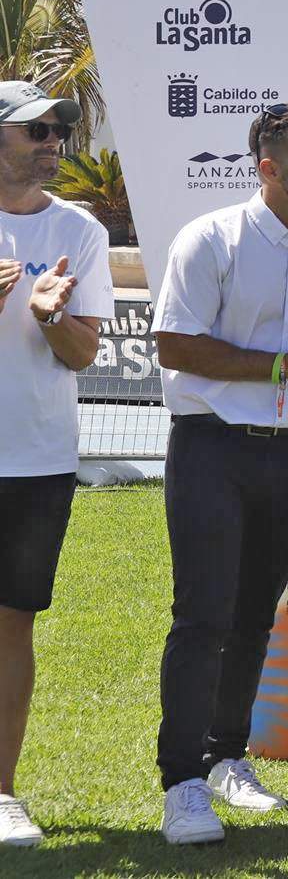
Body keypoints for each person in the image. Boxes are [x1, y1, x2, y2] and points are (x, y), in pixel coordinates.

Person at [151, 104, 288, 845]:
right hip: (211, 446)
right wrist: (282, 364)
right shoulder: (209, 237)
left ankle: (227, 760)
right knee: (203, 618)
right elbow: (177, 347)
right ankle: (182, 782)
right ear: (270, 168)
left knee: (254, 618)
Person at [0, 84, 111, 848]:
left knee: (12, 627)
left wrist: (51, 317)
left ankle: (1, 794)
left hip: (37, 460)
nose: (52, 143)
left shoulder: (82, 231)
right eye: (34, 130)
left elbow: (82, 354)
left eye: (57, 131)